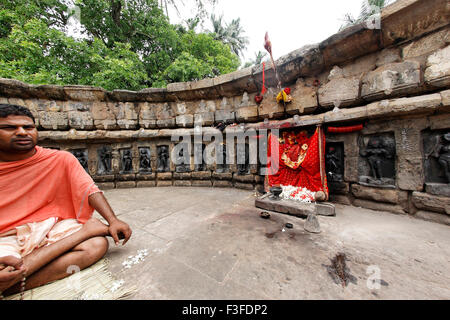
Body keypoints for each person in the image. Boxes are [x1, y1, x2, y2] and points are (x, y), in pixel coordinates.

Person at [0, 104, 132, 297]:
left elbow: (88, 189)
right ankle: (83, 233)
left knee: (96, 245)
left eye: (28, 127)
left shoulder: (60, 159)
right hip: (6, 235)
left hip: (51, 225)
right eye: (10, 128)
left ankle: (11, 283)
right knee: (5, 265)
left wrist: (113, 220)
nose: (22, 132)